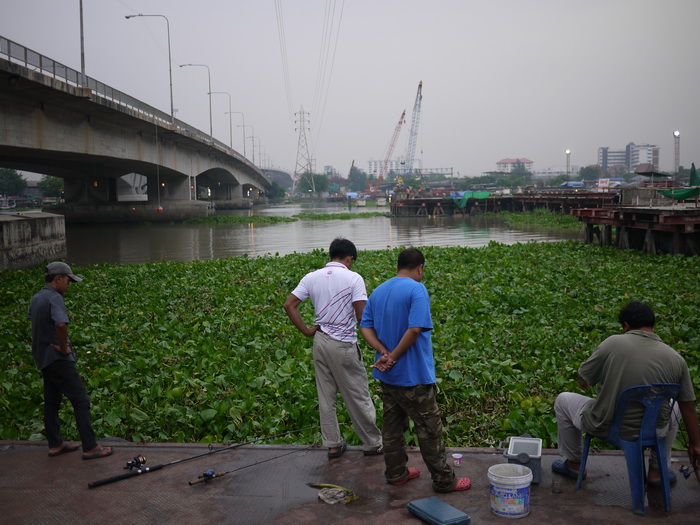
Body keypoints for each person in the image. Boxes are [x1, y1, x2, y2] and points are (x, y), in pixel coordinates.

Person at [552, 301, 700, 486]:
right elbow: (689, 408)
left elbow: (584, 377)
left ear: (626, 326)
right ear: (652, 326)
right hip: (653, 430)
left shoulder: (613, 342)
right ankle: (656, 471)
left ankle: (574, 465)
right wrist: (696, 444)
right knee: (675, 406)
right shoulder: (676, 358)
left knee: (563, 399)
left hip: (609, 426)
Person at [359, 248, 470, 492]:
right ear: (420, 267)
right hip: (414, 377)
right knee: (429, 430)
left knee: (392, 428)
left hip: (387, 376)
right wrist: (394, 357)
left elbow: (365, 326)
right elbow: (415, 329)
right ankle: (444, 481)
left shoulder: (378, 291)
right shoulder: (416, 289)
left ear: (399, 266)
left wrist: (383, 352)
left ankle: (397, 473)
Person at [283, 238, 383, 458]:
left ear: (332, 255)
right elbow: (361, 316)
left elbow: (289, 305)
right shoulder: (353, 278)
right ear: (349, 258)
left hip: (321, 342)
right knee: (358, 395)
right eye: (352, 261)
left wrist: (308, 331)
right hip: (344, 344)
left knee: (326, 396)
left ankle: (333, 445)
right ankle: (373, 444)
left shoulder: (311, 277)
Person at [28, 261, 113, 460]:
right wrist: (64, 347)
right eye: (68, 280)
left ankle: (55, 444)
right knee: (81, 401)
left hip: (43, 358)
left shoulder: (37, 297)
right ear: (58, 279)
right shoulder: (55, 298)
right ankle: (91, 447)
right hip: (59, 359)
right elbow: (61, 323)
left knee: (52, 402)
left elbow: (35, 320)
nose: (69, 285)